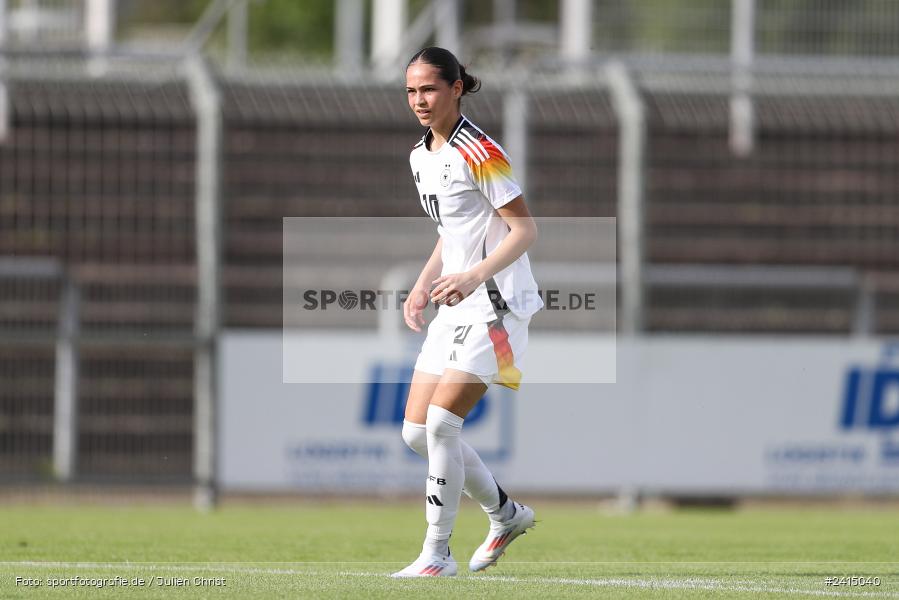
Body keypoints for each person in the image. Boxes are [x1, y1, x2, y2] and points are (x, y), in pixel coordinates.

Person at [392, 47, 544, 578]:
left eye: (429, 89)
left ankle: (437, 554)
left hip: (499, 309)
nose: (419, 100)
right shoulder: (420, 155)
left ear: (457, 88)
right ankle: (505, 514)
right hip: (456, 303)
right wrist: (421, 285)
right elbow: (451, 233)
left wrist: (474, 276)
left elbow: (525, 230)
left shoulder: (481, 151)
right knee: (415, 434)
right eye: (411, 91)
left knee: (441, 424)